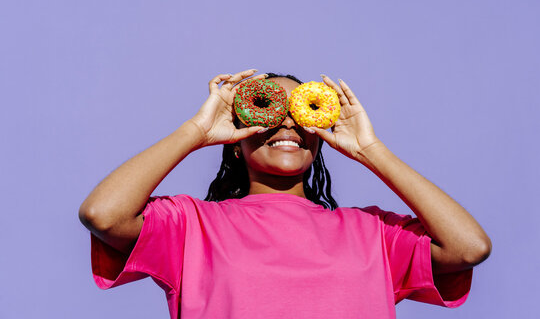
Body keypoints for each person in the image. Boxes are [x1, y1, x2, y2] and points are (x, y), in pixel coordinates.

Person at [79, 68, 492, 319]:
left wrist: (372, 152)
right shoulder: (193, 225)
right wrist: (196, 131)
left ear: (320, 133)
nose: (287, 125)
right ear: (236, 141)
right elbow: (103, 214)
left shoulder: (373, 233)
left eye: (301, 114)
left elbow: (469, 247)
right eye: (269, 111)